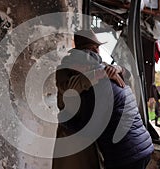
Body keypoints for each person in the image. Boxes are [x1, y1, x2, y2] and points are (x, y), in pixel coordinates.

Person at [52, 29, 154, 169]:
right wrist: (99, 73)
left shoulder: (98, 66)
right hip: (71, 132)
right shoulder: (67, 69)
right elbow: (70, 87)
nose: (97, 51)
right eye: (96, 47)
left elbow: (128, 75)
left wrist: (117, 68)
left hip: (86, 134)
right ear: (92, 48)